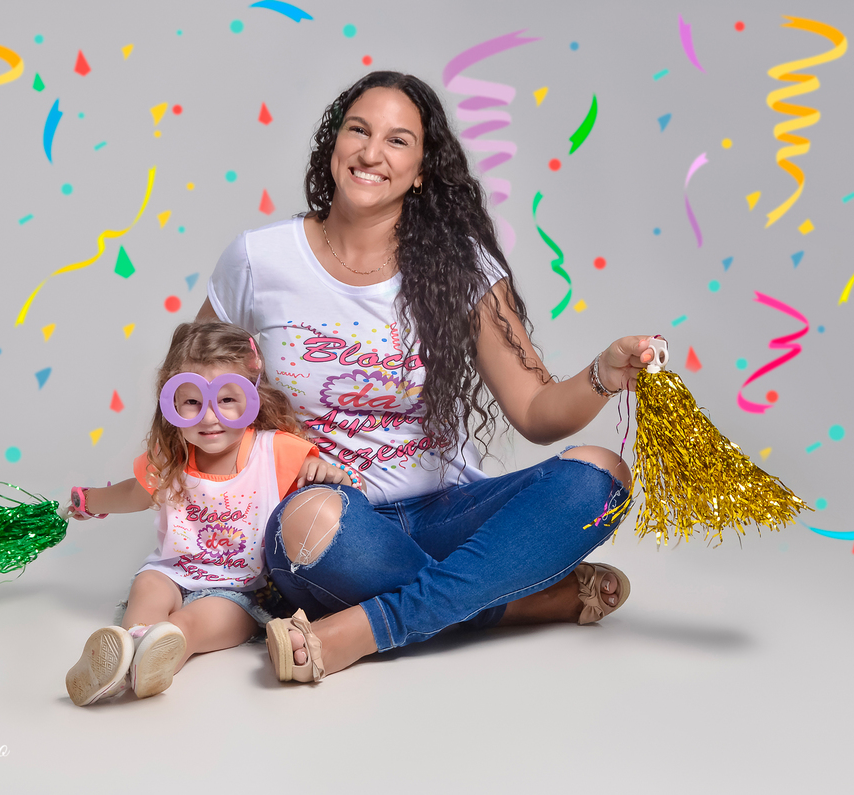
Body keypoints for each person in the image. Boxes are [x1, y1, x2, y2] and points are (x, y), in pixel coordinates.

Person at [195, 71, 658, 683]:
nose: (370, 153)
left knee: (601, 477)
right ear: (333, 144)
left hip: (451, 514)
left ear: (421, 170)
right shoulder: (259, 259)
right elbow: (193, 395)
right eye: (358, 131)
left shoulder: (459, 264)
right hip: (334, 523)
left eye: (397, 141)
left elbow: (539, 413)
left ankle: (363, 630)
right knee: (305, 527)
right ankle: (512, 596)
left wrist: (603, 373)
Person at [61, 321, 366, 705]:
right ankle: (120, 657)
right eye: (191, 401)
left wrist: (333, 476)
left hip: (239, 591)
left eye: (226, 400)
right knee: (147, 589)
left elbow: (346, 500)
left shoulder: (278, 452)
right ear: (171, 403)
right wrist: (90, 501)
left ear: (252, 398)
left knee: (187, 625)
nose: (209, 417)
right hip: (172, 572)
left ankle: (155, 661)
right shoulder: (170, 456)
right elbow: (136, 495)